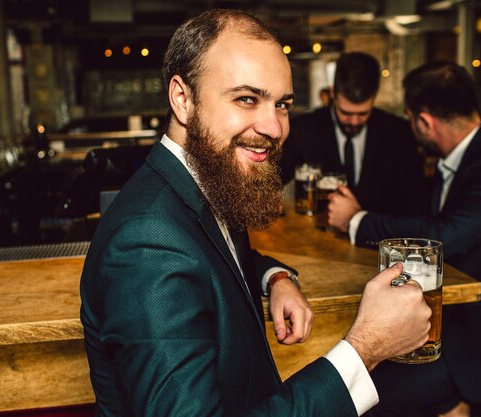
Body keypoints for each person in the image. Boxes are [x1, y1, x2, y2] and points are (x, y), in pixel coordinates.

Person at [80, 9, 432, 417]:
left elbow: (214, 258)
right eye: (247, 99)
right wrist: (364, 349)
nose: (274, 127)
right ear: (182, 98)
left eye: (281, 104)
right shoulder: (147, 242)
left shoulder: (200, 180)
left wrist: (274, 277)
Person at [328, 61, 481, 417]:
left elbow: (443, 235)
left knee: (365, 400)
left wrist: (357, 220)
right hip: (455, 327)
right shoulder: (466, 159)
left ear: (424, 121)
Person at [280, 52, 429, 218]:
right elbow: (274, 180)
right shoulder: (303, 129)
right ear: (332, 94)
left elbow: (417, 205)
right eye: (346, 113)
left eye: (363, 113)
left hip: (376, 240)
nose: (354, 122)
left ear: (374, 98)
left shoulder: (399, 133)